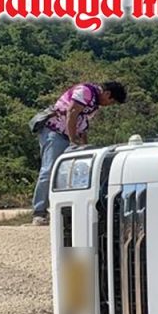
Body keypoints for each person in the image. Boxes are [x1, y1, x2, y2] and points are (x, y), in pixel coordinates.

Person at [30, 81, 127, 226]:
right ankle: (39, 212)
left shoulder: (94, 104)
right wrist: (73, 140)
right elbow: (72, 112)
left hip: (68, 135)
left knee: (74, 172)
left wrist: (85, 146)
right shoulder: (85, 91)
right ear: (107, 94)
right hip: (55, 132)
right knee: (49, 170)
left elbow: (83, 124)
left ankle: (67, 211)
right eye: (111, 101)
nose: (109, 105)